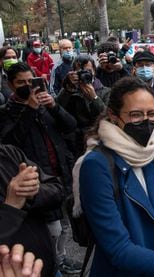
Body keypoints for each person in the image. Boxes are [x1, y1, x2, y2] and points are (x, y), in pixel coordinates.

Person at [78, 76, 154, 276]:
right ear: (112, 115)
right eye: (136, 115)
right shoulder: (96, 165)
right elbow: (118, 248)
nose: (146, 122)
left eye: (152, 114)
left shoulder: (151, 152)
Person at [0, 62, 80, 275]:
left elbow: (71, 126)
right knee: (51, 229)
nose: (27, 86)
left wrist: (53, 106)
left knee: (64, 225)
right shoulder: (6, 112)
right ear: (10, 85)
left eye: (30, 81)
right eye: (21, 83)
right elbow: (11, 141)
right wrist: (29, 110)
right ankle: (55, 260)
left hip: (58, 174)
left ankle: (60, 257)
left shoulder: (45, 105)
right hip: (32, 180)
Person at [0, 144, 65, 276]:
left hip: (48, 266)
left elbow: (57, 189)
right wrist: (11, 207)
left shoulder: (8, 153)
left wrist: (33, 193)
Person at [56, 55, 111, 158]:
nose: (85, 74)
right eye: (81, 71)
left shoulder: (106, 91)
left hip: (98, 138)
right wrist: (67, 89)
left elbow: (108, 116)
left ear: (94, 71)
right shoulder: (70, 90)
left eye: (88, 70)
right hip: (75, 141)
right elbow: (57, 109)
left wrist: (94, 98)